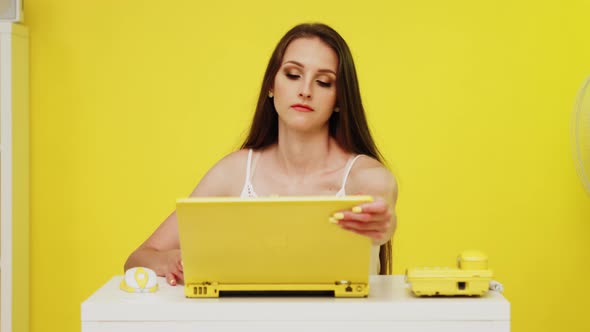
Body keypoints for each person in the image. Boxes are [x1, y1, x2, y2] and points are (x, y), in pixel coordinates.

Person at [124, 22, 398, 286]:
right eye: (292, 75)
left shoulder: (367, 177)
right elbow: (138, 259)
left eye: (324, 82)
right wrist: (168, 260)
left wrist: (383, 226)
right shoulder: (234, 172)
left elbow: (382, 213)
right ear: (271, 85)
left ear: (340, 99)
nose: (305, 91)